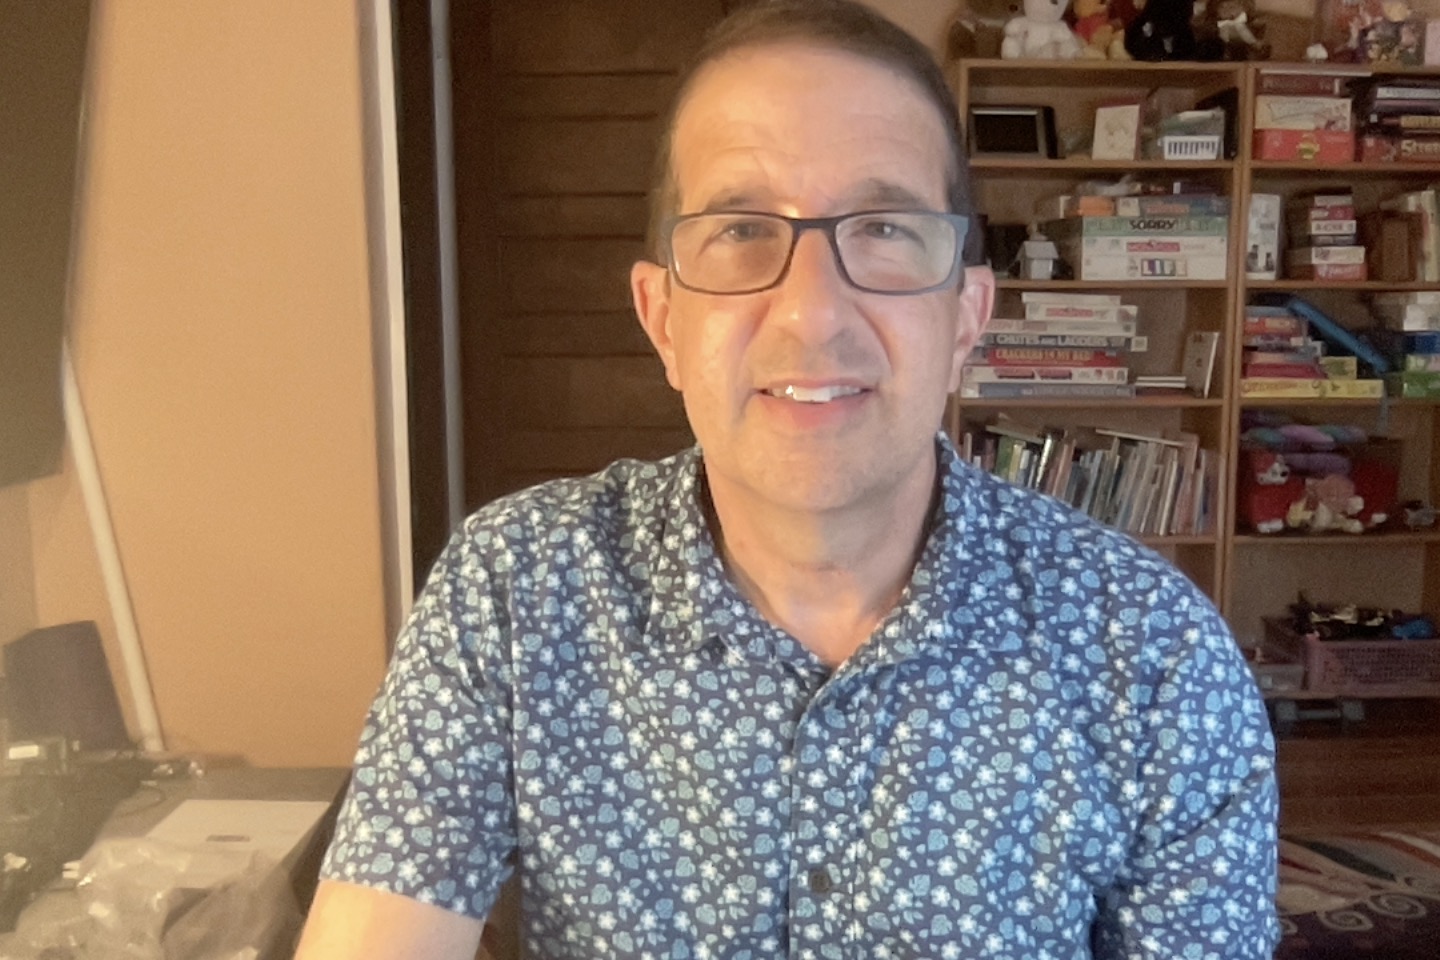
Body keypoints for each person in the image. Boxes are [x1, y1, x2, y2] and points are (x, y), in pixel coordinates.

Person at [297, 1, 1279, 957]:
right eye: (739, 231)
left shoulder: (1152, 652)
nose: (812, 313)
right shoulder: (514, 591)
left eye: (886, 231)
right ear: (662, 319)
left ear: (968, 318)